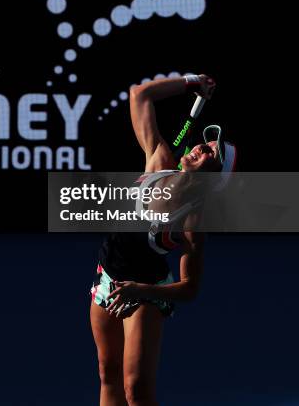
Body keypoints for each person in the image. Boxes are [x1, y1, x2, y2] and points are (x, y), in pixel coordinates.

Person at [90, 74, 236, 406]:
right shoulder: (159, 160)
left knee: (136, 391)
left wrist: (139, 290)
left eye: (211, 153)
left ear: (213, 179)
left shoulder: (192, 221)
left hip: (145, 290)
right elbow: (139, 94)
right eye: (205, 142)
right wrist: (192, 81)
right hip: (108, 276)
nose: (201, 145)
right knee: (106, 372)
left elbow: (190, 287)